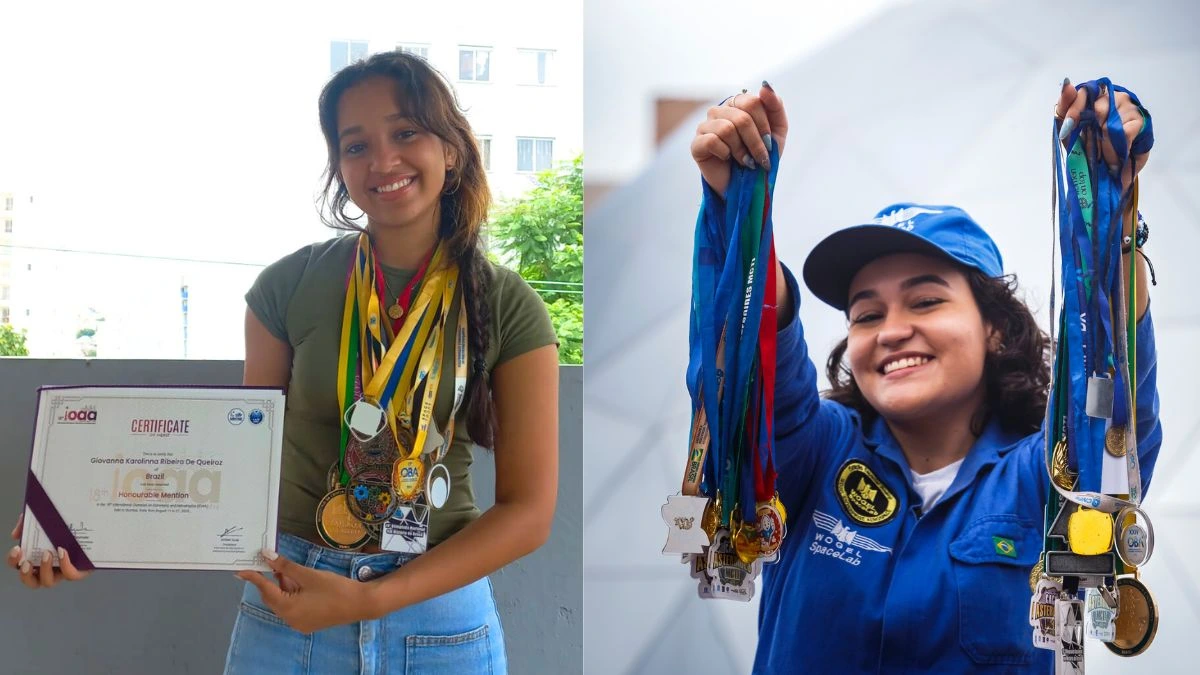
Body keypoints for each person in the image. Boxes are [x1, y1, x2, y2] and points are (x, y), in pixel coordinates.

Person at [7, 51, 560, 675]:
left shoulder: (510, 305)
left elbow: (528, 512)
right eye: (356, 146)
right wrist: (92, 535)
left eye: (406, 133)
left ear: (452, 149)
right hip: (293, 602)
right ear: (338, 166)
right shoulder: (288, 286)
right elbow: (237, 466)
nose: (383, 161)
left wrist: (372, 598)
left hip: (438, 619)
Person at [688, 79, 1159, 671]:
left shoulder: (1042, 478)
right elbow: (757, 370)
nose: (890, 330)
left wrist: (1108, 212)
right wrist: (743, 212)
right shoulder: (815, 451)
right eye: (866, 313)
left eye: (927, 301)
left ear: (995, 328)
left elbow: (1115, 407)